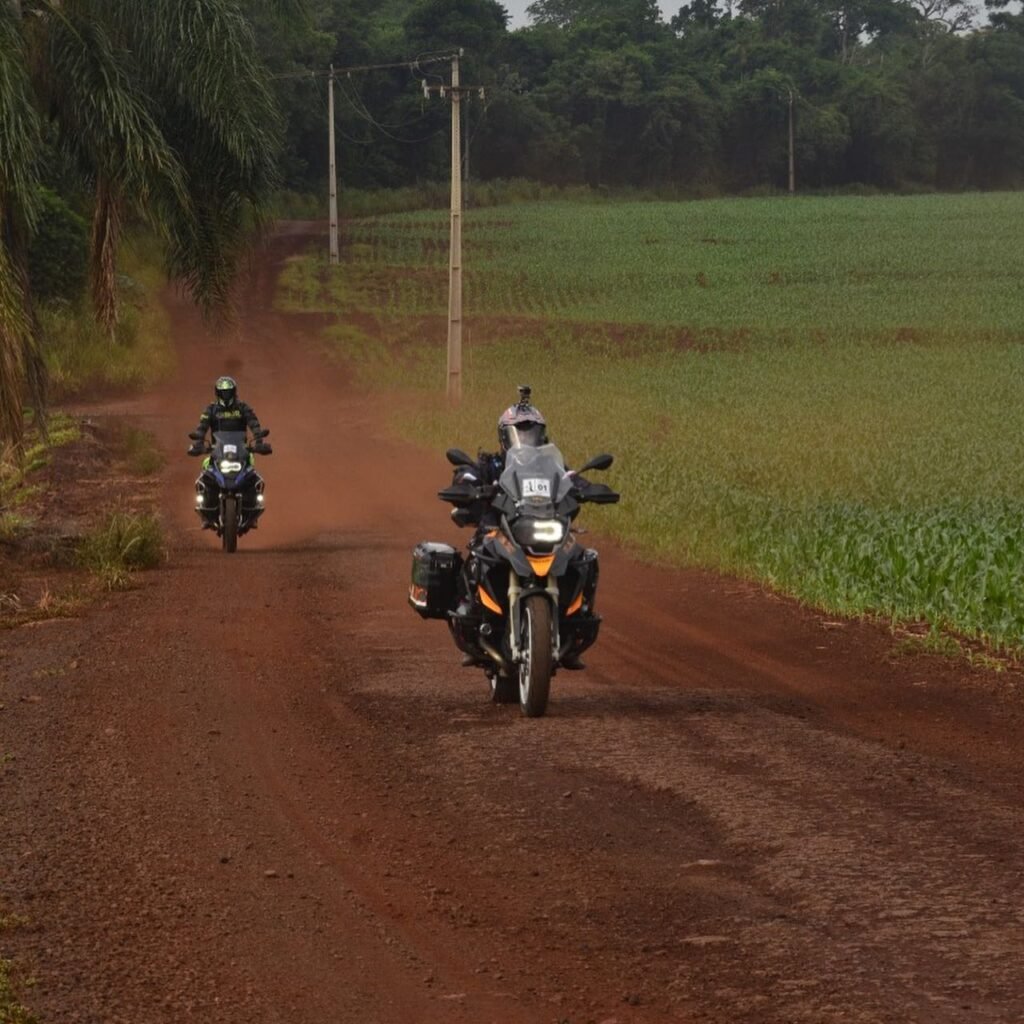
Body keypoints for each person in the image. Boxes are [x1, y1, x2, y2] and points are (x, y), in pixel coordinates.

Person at [188, 376, 269, 528]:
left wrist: (259, 441)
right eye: (223, 392)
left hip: (242, 452)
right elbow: (202, 428)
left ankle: (252, 510)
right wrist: (198, 444)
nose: (226, 395)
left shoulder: (243, 408)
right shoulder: (210, 410)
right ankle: (206, 512)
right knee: (205, 476)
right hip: (217, 452)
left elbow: (254, 424)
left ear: (234, 392)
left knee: (254, 477)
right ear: (217, 393)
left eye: (228, 392)